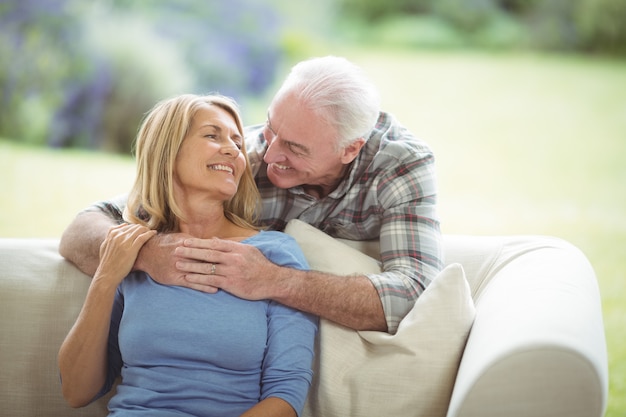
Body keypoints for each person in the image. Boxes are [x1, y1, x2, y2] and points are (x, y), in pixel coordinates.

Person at [60, 55, 444, 334]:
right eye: (271, 129)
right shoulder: (240, 160)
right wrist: (148, 254)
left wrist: (277, 281)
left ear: (350, 149)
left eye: (295, 148)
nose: (269, 154)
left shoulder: (400, 166)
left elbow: (417, 293)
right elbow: (83, 229)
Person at [58, 94, 318, 417]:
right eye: (212, 135)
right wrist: (107, 276)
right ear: (168, 151)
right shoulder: (136, 250)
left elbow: (286, 397)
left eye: (237, 142)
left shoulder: (275, 255)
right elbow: (76, 391)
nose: (234, 150)